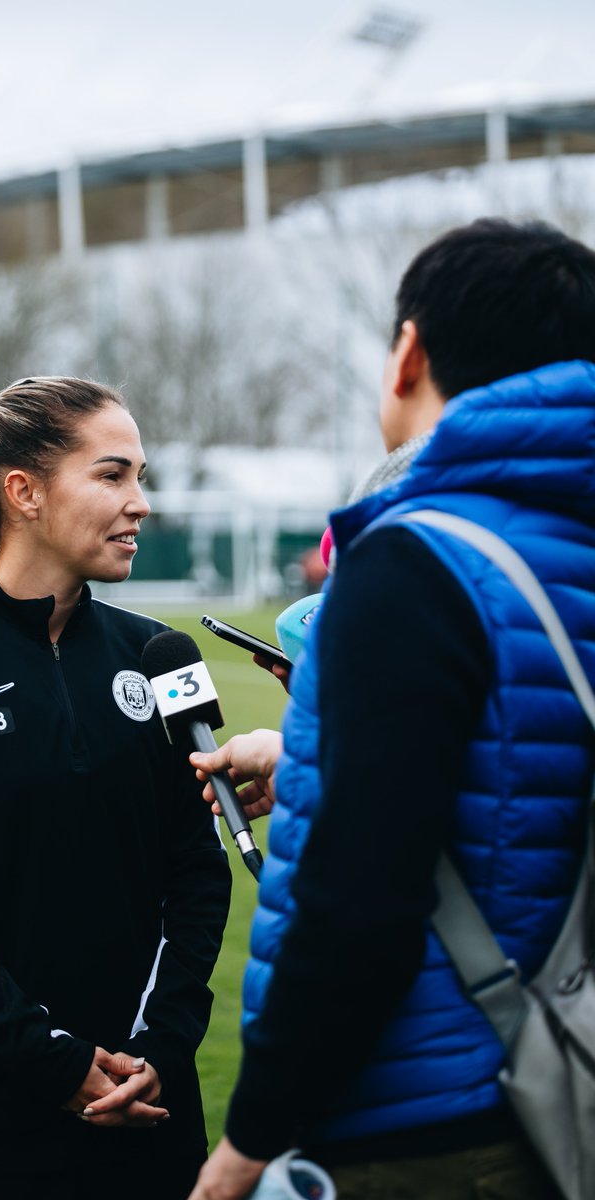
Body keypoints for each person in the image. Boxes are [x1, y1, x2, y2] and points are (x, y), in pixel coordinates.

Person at [186, 219, 595, 1200]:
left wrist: (249, 1142)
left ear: (408, 352)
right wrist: (313, 753)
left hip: (432, 1119)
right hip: (567, 1081)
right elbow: (526, 775)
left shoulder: (414, 559)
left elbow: (358, 895)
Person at [0, 376, 231, 1200]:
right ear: (22, 492)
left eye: (141, 476)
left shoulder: (161, 656)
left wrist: (161, 1047)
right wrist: (52, 1060)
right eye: (113, 475)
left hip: (150, 1101)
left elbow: (199, 874)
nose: (142, 502)